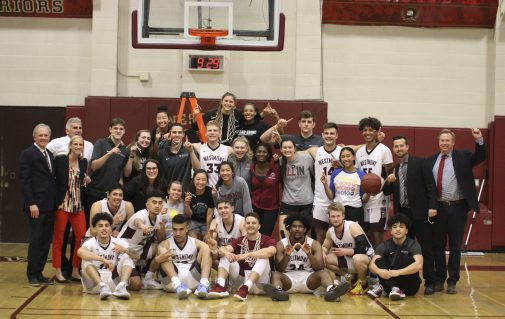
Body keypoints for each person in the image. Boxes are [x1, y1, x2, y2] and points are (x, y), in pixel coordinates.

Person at [427, 128, 485, 294]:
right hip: (437, 208)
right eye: (442, 140)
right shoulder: (431, 160)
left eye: (447, 140)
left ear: (453, 142)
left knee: (454, 246)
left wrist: (479, 139)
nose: (444, 143)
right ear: (438, 142)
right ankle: (439, 279)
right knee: (437, 245)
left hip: (457, 207)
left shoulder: (463, 157)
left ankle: (452, 280)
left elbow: (480, 156)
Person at [382, 135, 438, 295]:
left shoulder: (420, 162)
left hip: (420, 214)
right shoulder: (393, 168)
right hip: (403, 215)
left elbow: (430, 186)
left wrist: (432, 206)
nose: (399, 149)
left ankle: (430, 282)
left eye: (401, 146)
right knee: (406, 250)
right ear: (393, 149)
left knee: (426, 249)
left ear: (407, 147)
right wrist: (389, 181)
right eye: (396, 146)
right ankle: (410, 281)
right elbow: (386, 192)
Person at [263, 212, 350, 302]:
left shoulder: (314, 244)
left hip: (308, 280)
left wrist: (309, 254)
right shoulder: (281, 244)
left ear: (304, 229)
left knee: (323, 273)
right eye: (294, 226)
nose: (297, 229)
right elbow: (279, 269)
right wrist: (286, 255)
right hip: (288, 280)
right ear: (290, 229)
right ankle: (278, 292)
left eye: (300, 227)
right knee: (275, 274)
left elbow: (320, 267)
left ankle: (331, 291)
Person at [20, 123, 57, 286]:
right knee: (36, 240)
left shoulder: (49, 153)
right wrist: (31, 203)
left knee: (45, 240)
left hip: (50, 205)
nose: (43, 138)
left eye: (46, 135)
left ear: (49, 137)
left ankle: (39, 272)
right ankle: (32, 275)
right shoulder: (28, 154)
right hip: (36, 206)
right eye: (40, 135)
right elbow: (25, 181)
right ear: (34, 137)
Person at [208, 212, 276, 301]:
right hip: (241, 282)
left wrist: (248, 254)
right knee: (226, 255)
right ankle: (220, 286)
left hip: (260, 283)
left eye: (254, 223)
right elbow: (222, 250)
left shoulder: (267, 239)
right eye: (248, 223)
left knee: (264, 257)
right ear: (244, 226)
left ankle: (246, 287)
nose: (250, 225)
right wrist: (225, 252)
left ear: (259, 226)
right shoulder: (239, 240)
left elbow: (271, 251)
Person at [52, 136, 88, 283]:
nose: (78, 146)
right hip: (63, 204)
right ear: (70, 145)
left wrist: (86, 179)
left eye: (81, 144)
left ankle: (74, 269)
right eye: (76, 144)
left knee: (81, 238)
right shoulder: (61, 160)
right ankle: (58, 270)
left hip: (78, 205)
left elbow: (81, 180)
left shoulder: (84, 162)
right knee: (59, 240)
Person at [78, 213, 138, 300]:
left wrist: (125, 250)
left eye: (106, 225)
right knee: (85, 260)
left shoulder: (118, 241)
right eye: (100, 226)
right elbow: (80, 252)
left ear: (110, 228)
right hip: (95, 285)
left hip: (113, 283)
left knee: (127, 256)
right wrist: (102, 259)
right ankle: (102, 286)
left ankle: (122, 286)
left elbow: (137, 256)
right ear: (95, 229)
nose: (104, 228)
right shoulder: (90, 242)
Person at [355, 117, 393, 248]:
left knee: (377, 234)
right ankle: (371, 264)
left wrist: (381, 189)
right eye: (365, 130)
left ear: (377, 132)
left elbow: (390, 174)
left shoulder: (384, 150)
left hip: (379, 198)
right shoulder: (359, 152)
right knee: (367, 233)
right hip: (364, 198)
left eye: (371, 130)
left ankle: (381, 264)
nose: (367, 133)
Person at [156, 214, 213, 299]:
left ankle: (204, 284)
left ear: (187, 229)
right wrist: (162, 257)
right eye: (175, 229)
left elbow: (209, 253)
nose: (177, 233)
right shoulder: (166, 243)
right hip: (171, 283)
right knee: (162, 251)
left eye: (181, 229)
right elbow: (156, 262)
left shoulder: (194, 242)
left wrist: (213, 248)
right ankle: (178, 284)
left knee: (206, 248)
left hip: (193, 280)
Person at [118, 190, 166, 290]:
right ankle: (118, 283)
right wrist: (142, 226)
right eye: (154, 202)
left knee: (162, 247)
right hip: (125, 249)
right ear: (147, 205)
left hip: (140, 249)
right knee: (136, 285)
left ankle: (148, 278)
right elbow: (137, 221)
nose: (157, 205)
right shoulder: (141, 215)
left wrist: (162, 230)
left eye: (160, 203)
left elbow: (161, 238)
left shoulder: (159, 216)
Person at [367, 214, 423, 300]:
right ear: (391, 231)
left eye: (401, 227)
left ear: (406, 231)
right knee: (378, 260)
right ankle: (393, 288)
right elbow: (372, 265)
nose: (398, 229)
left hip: (409, 286)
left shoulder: (413, 245)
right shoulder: (384, 245)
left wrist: (398, 272)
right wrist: (379, 271)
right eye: (395, 227)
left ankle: (384, 288)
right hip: (391, 282)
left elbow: (419, 265)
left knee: (406, 257)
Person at [323, 202, 374, 296]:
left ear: (343, 216)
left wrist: (346, 251)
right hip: (350, 258)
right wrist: (322, 254)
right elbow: (325, 248)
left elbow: (365, 248)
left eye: (338, 216)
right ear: (329, 217)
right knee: (326, 259)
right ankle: (350, 278)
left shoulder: (352, 226)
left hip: (366, 258)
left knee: (357, 258)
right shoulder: (330, 232)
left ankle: (363, 283)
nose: (335, 219)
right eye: (333, 216)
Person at [85, 118, 129, 226]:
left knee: (107, 225)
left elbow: (123, 174)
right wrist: (110, 153)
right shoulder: (101, 143)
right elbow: (94, 166)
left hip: (111, 196)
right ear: (110, 129)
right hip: (94, 191)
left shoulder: (124, 150)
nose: (118, 131)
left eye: (121, 129)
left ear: (124, 131)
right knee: (91, 225)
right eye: (115, 128)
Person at [310, 122, 343, 243]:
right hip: (320, 199)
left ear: (337, 136)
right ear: (322, 135)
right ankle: (319, 261)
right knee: (320, 234)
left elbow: (351, 170)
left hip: (339, 198)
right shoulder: (316, 151)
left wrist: (339, 165)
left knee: (340, 234)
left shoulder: (342, 151)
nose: (329, 136)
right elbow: (296, 153)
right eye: (327, 133)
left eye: (332, 133)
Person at [277, 138, 314, 238]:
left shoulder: (306, 158)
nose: (287, 150)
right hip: (288, 203)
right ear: (281, 150)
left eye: (290, 147)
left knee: (306, 237)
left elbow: (313, 175)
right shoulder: (280, 161)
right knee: (283, 236)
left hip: (306, 203)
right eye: (284, 148)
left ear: (295, 149)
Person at [322, 147, 368, 225]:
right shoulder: (335, 173)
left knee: (353, 235)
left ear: (353, 157)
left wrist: (369, 193)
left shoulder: (361, 175)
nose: (345, 159)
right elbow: (331, 196)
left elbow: (364, 199)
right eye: (343, 157)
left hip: (355, 210)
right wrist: (325, 184)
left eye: (348, 156)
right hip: (338, 210)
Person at [157, 123, 200, 190]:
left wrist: (191, 152)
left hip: (184, 194)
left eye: (179, 132)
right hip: (168, 193)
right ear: (170, 134)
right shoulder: (162, 152)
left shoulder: (189, 149)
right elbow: (158, 175)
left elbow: (198, 170)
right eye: (174, 132)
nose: (177, 135)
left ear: (183, 134)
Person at [250, 142, 281, 236]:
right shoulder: (252, 167)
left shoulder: (276, 167)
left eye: (264, 152)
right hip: (254, 207)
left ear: (268, 154)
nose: (261, 154)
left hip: (270, 209)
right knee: (253, 235)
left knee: (265, 236)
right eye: (259, 151)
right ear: (255, 153)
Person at [206, 198, 246, 267]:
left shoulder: (241, 221)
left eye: (226, 207)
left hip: (237, 255)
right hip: (223, 254)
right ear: (217, 210)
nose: (223, 210)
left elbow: (246, 240)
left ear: (232, 208)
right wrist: (211, 234)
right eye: (220, 208)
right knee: (207, 256)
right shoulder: (215, 221)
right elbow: (211, 243)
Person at [192, 121, 231, 187]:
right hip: (204, 187)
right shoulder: (199, 147)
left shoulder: (228, 149)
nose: (212, 133)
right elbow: (184, 145)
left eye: (215, 130)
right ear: (205, 133)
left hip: (222, 187)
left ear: (220, 133)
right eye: (209, 130)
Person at [184, 169, 215, 239]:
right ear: (193, 179)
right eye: (198, 179)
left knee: (207, 239)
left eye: (203, 180)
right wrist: (187, 205)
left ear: (207, 181)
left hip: (206, 222)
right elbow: (189, 215)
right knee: (193, 241)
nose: (200, 182)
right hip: (193, 221)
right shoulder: (189, 191)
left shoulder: (210, 192)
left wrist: (208, 231)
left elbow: (209, 214)